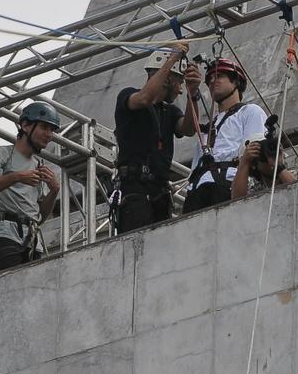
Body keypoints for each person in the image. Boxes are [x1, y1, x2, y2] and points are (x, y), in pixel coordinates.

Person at [113, 42, 202, 233]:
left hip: (159, 193)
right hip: (134, 189)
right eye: (179, 82)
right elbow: (145, 98)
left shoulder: (169, 112)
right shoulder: (128, 96)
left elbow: (188, 129)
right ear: (168, 79)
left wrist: (192, 93)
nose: (180, 89)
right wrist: (171, 60)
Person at [0, 101, 60, 273]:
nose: (49, 134)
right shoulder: (2, 153)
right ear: (26, 126)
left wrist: (54, 191)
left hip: (33, 241)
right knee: (7, 288)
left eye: (52, 130)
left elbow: (39, 216)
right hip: (7, 234)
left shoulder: (39, 165)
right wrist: (16, 177)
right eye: (44, 127)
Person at [182, 58, 268, 214]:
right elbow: (195, 168)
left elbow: (255, 151)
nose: (213, 81)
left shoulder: (249, 112)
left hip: (228, 184)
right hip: (197, 192)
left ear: (236, 82)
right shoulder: (206, 130)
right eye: (209, 80)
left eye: (219, 76)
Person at [231, 133, 298, 200]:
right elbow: (238, 202)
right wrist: (245, 162)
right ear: (253, 165)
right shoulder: (255, 191)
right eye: (264, 157)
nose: (270, 160)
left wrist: (279, 167)